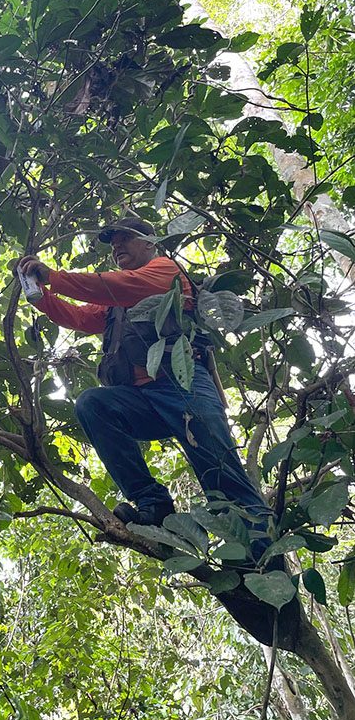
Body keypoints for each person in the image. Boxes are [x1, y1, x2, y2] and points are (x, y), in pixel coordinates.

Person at [18, 216, 271, 554]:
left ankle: (259, 559)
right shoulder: (115, 301)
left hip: (184, 386)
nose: (116, 247)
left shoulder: (165, 271)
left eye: (125, 238)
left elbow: (113, 286)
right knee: (93, 404)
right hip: (144, 399)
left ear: (150, 244)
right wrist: (40, 297)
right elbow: (80, 318)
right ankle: (153, 505)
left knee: (223, 477)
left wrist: (53, 276)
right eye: (112, 243)